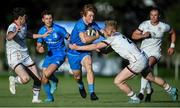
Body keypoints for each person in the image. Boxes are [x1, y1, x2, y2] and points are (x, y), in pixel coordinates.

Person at [69, 20, 178, 103]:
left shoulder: (111, 38)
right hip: (143, 57)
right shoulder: (118, 35)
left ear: (111, 31)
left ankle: (134, 98)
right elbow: (111, 48)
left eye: (106, 30)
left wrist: (76, 47)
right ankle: (170, 89)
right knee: (151, 77)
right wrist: (103, 47)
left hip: (137, 62)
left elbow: (95, 45)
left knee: (118, 81)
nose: (105, 31)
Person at [132, 7, 176, 102]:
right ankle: (149, 91)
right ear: (150, 16)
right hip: (143, 52)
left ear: (159, 16)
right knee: (146, 73)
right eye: (151, 15)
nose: (153, 17)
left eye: (155, 15)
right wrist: (143, 35)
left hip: (155, 53)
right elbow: (133, 36)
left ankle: (141, 93)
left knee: (146, 67)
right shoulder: (144, 24)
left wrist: (172, 46)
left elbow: (172, 33)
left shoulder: (164, 26)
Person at [6, 7, 50, 103]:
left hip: (25, 56)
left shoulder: (24, 25)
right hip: (14, 57)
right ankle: (14, 80)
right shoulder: (12, 27)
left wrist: (42, 36)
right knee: (26, 79)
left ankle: (35, 99)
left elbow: (28, 35)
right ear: (20, 17)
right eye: (25, 16)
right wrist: (14, 32)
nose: (26, 18)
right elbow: (8, 37)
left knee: (38, 78)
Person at [67, 4, 101, 100]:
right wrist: (97, 37)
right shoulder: (80, 24)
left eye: (93, 16)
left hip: (85, 51)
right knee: (77, 76)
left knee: (89, 66)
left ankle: (92, 93)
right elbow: (84, 40)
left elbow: (102, 32)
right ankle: (81, 86)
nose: (92, 18)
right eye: (90, 15)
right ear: (84, 15)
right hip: (73, 52)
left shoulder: (93, 24)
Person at [36, 10, 70, 102]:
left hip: (60, 54)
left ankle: (54, 81)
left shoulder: (59, 29)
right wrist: (40, 48)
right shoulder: (41, 30)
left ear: (52, 19)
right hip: (49, 55)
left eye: (50, 18)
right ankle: (50, 98)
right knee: (43, 78)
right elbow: (38, 45)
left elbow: (69, 38)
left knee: (46, 74)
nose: (49, 20)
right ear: (43, 20)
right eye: (46, 19)